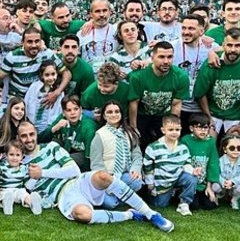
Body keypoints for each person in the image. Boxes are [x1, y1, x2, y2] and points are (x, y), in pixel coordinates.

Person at [17, 121, 173, 231]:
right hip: (63, 196)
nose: (29, 139)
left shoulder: (51, 147)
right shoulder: (19, 165)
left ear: (36, 133)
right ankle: (129, 215)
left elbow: (74, 171)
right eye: (24, 136)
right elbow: (24, 188)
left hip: (77, 182)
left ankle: (151, 214)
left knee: (103, 176)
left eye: (32, 134)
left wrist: (42, 173)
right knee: (82, 215)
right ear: (18, 139)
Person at [194, 28, 240, 137]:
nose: (233, 49)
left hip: (235, 116)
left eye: (237, 45)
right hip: (213, 113)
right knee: (208, 138)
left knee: (236, 139)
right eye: (229, 45)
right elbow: (201, 94)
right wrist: (208, 117)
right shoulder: (211, 63)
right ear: (223, 45)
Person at [128, 42, 190, 149]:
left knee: (167, 144)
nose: (166, 61)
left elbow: (176, 105)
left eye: (169, 57)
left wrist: (172, 129)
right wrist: (133, 128)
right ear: (152, 58)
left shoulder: (181, 77)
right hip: (142, 114)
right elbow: (133, 103)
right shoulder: (138, 76)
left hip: (164, 114)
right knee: (137, 143)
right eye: (161, 57)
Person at [143, 114, 198, 216]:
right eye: (170, 129)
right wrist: (150, 183)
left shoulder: (183, 147)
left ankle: (184, 203)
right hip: (161, 182)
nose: (174, 132)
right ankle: (162, 194)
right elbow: (147, 167)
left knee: (192, 178)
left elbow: (186, 163)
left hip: (177, 177)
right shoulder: (153, 147)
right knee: (160, 205)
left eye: (177, 130)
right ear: (163, 130)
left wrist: (192, 170)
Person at [0, 27, 70, 100]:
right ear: (22, 42)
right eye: (30, 42)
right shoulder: (12, 56)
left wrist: (57, 92)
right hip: (18, 98)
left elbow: (67, 73)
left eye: (37, 41)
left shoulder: (47, 54)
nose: (34, 45)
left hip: (40, 97)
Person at [89, 100, 143, 192]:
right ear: (104, 116)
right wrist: (106, 178)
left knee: (136, 182)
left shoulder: (129, 132)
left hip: (126, 174)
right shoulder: (100, 135)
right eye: (109, 112)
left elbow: (137, 154)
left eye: (117, 111)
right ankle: (117, 195)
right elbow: (96, 163)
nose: (114, 115)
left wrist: (136, 168)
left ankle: (118, 194)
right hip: (108, 176)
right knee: (111, 198)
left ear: (121, 114)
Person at [40, 95, 97, 171]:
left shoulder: (89, 127)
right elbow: (40, 139)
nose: (73, 113)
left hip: (82, 154)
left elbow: (89, 156)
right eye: (69, 110)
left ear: (81, 110)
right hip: (67, 148)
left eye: (76, 109)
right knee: (51, 144)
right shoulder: (62, 118)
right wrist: (55, 128)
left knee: (65, 161)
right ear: (64, 113)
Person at [179, 113, 220, 211]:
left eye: (205, 128)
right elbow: (181, 161)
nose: (203, 131)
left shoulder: (211, 142)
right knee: (194, 206)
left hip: (203, 183)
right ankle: (180, 194)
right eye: (199, 127)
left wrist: (209, 187)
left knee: (210, 205)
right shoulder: (185, 140)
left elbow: (213, 163)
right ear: (191, 128)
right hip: (189, 182)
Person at [0, 142, 42, 215]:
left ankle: (32, 204)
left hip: (18, 190)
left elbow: (27, 186)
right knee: (6, 194)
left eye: (18, 155)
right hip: (4, 190)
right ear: (6, 155)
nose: (14, 158)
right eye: (11, 154)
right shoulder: (2, 166)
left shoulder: (23, 168)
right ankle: (7, 205)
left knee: (24, 194)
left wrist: (34, 178)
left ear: (22, 157)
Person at [77, 0, 117, 72]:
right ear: (91, 14)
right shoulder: (82, 33)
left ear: (110, 12)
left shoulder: (117, 31)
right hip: (89, 76)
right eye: (97, 11)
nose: (101, 14)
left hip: (111, 76)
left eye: (104, 10)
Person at [24, 59, 63, 133]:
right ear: (42, 75)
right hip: (33, 126)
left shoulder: (58, 91)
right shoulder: (34, 87)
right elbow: (26, 104)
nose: (50, 78)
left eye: (53, 74)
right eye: (47, 75)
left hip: (50, 128)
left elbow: (60, 111)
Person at [214, 134, 240, 210]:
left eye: (239, 148)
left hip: (235, 186)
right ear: (225, 149)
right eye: (232, 148)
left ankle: (234, 199)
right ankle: (218, 196)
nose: (236, 150)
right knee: (215, 186)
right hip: (222, 185)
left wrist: (233, 182)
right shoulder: (220, 161)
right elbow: (216, 173)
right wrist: (223, 182)